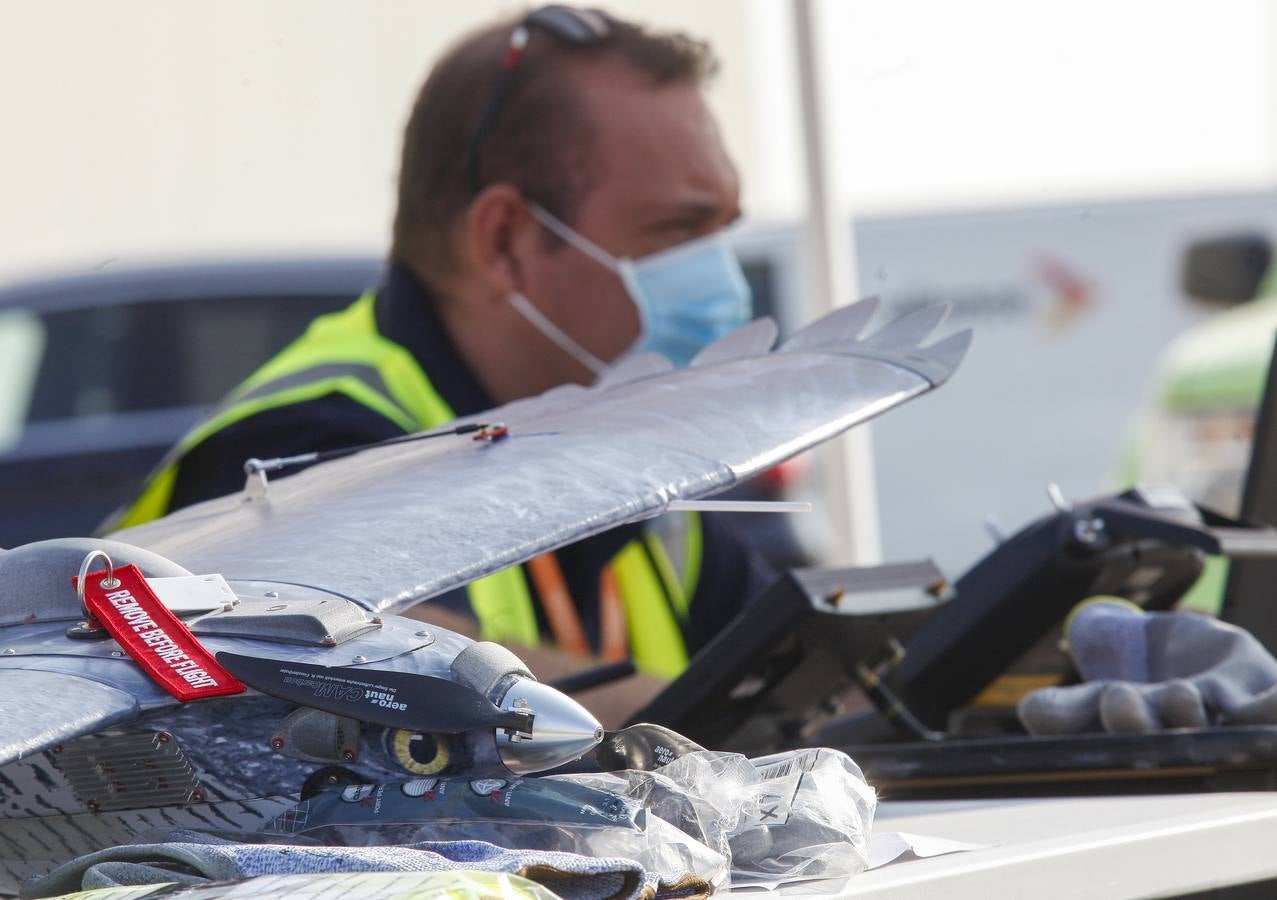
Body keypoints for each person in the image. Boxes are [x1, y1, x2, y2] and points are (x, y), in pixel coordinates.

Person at [105, 5, 774, 678]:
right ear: (504, 240)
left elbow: (797, 667)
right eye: (680, 231)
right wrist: (703, 729)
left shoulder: (615, 449)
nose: (721, 275)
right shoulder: (306, 448)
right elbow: (397, 669)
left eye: (722, 230)